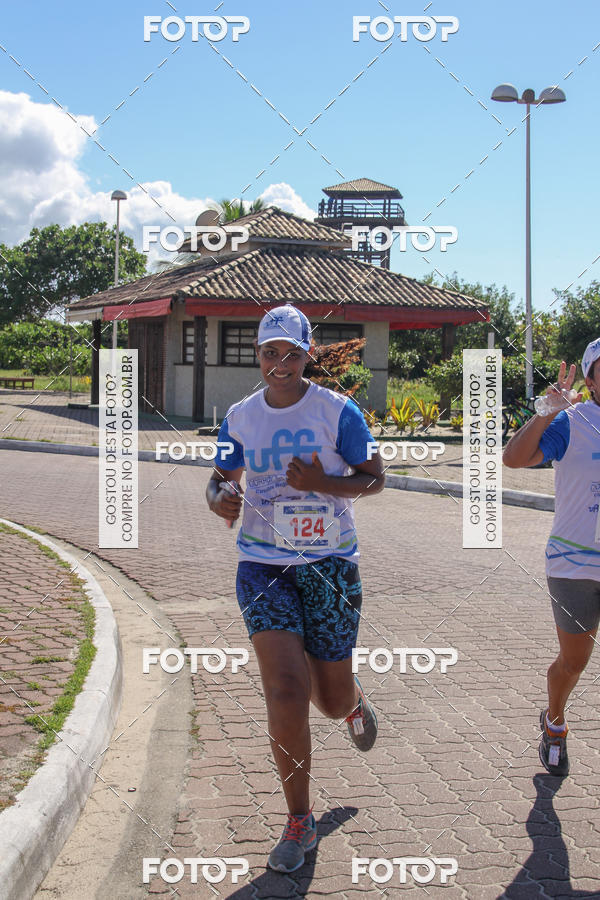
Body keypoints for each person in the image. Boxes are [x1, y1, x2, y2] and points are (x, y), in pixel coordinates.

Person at [206, 304, 384, 872]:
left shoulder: (338, 411)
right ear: (258, 355)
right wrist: (220, 501)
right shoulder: (240, 416)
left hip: (329, 565)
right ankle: (299, 820)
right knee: (284, 689)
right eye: (268, 352)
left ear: (309, 354)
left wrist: (321, 482)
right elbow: (217, 480)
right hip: (262, 567)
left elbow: (376, 477)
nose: (280, 364)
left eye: (291, 353)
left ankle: (351, 699)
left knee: (327, 701)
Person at [503, 339, 600, 776]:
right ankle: (554, 722)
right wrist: (546, 412)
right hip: (574, 564)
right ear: (590, 377)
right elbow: (514, 459)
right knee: (574, 661)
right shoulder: (573, 422)